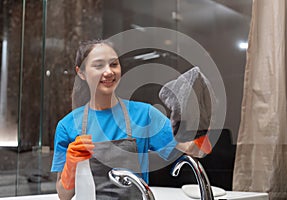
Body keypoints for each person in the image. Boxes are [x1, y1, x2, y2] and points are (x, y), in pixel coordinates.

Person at [51, 39, 211, 200]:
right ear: (81, 73)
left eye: (114, 64)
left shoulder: (145, 115)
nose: (108, 72)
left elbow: (196, 151)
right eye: (99, 66)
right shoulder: (67, 126)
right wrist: (70, 166)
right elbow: (64, 195)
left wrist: (198, 118)